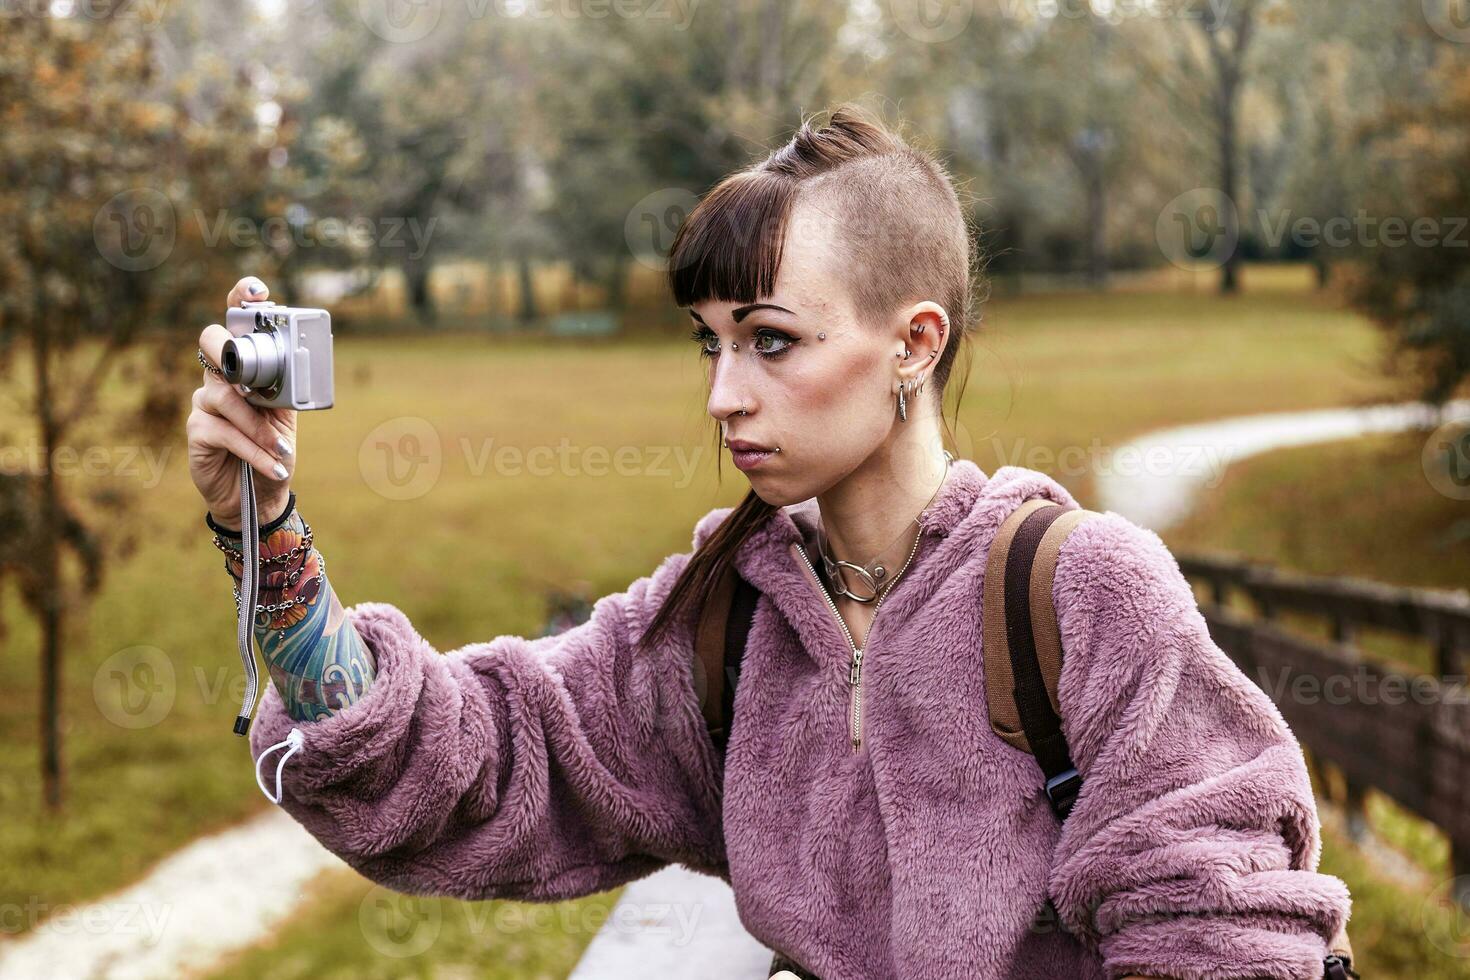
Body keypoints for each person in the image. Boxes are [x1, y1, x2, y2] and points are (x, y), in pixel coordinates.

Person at [187, 104, 1351, 980]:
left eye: (772, 341)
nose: (724, 397)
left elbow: (1224, 929)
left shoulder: (1083, 594)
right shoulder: (728, 617)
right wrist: (267, 529)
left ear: (914, 342)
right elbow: (478, 754)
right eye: (709, 344)